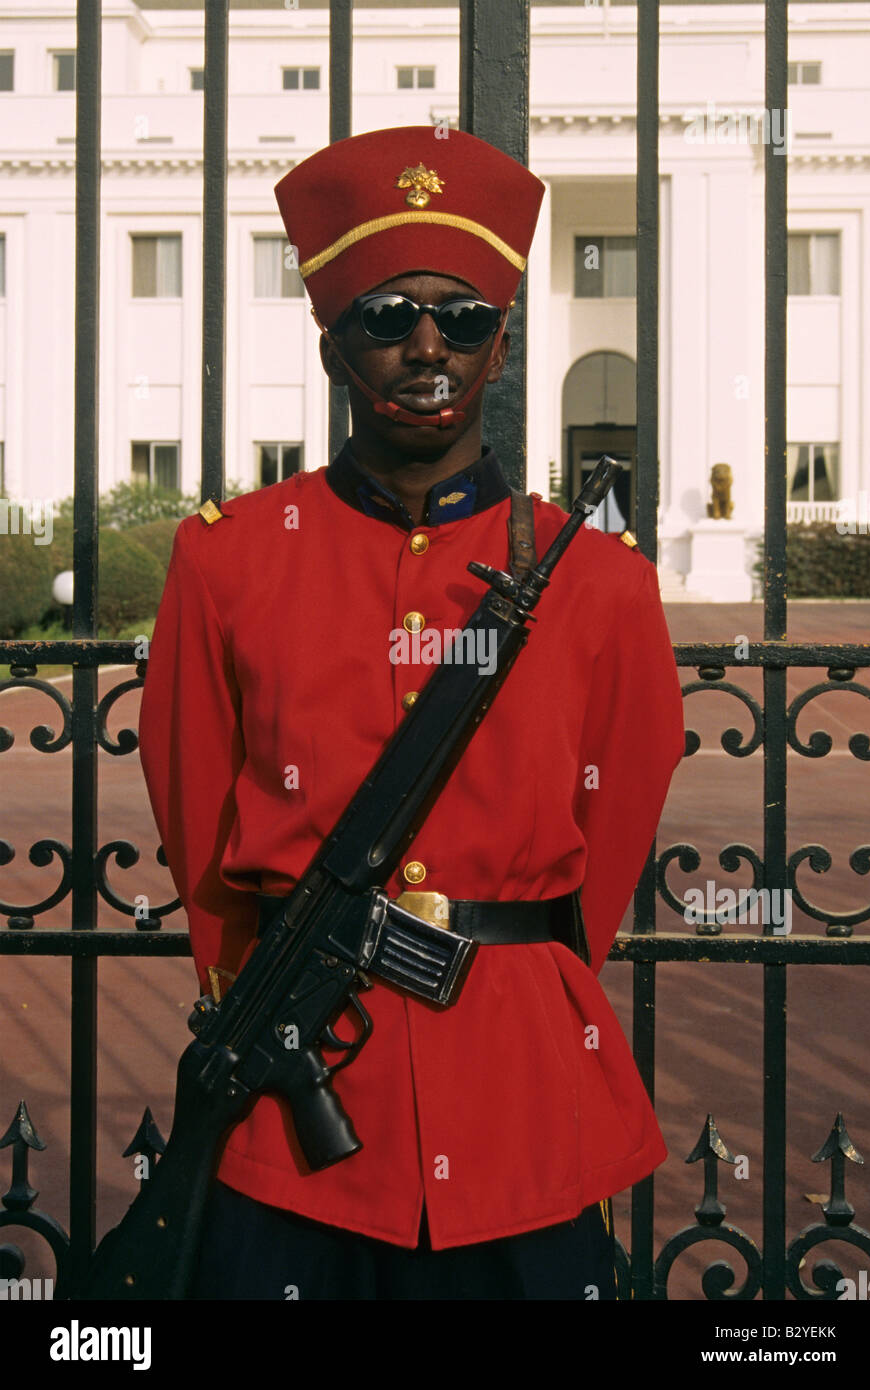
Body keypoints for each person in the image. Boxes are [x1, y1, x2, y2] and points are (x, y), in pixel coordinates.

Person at [137, 125, 685, 1301]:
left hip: (522, 1106)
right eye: (387, 318)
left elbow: (613, 825)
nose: (427, 347)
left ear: (502, 342)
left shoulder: (601, 584)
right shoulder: (227, 562)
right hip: (306, 1112)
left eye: (464, 317)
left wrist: (516, 973)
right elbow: (198, 832)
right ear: (335, 343)